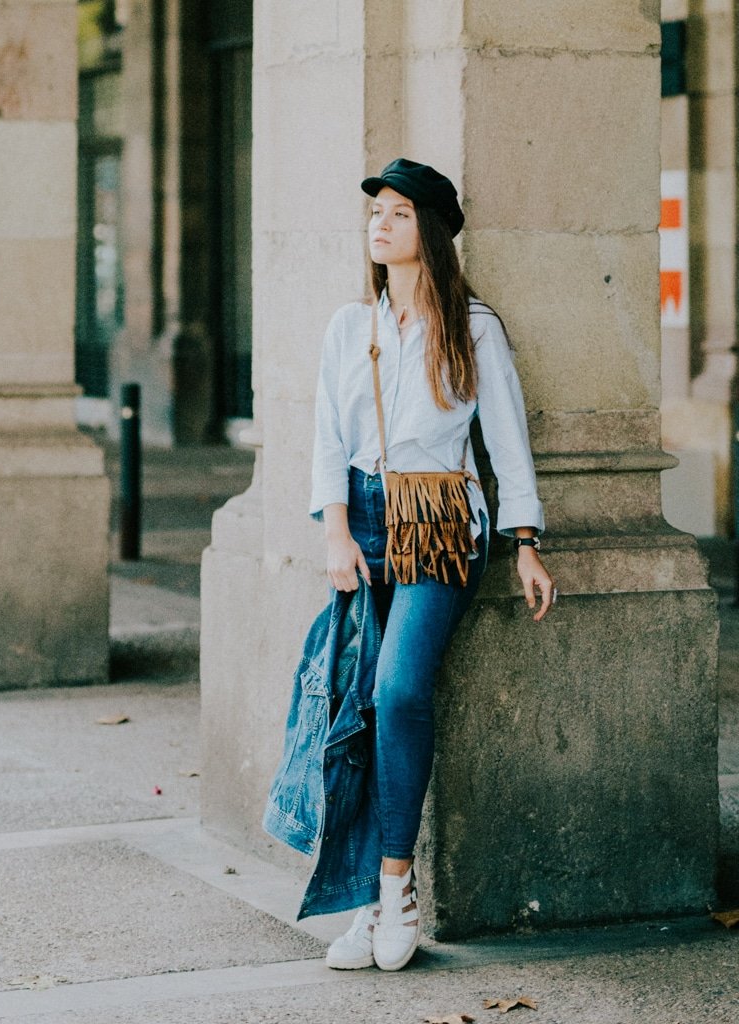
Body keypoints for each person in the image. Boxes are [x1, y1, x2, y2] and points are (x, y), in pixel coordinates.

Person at [309, 158, 555, 971]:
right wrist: (336, 532)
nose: (381, 224)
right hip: (367, 518)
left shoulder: (475, 326)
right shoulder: (353, 326)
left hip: (443, 522)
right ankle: (365, 904)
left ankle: (396, 884)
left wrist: (524, 544)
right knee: (359, 711)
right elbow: (328, 441)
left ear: (434, 232)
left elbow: (506, 443)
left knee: (399, 687)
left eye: (400, 213)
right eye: (376, 211)